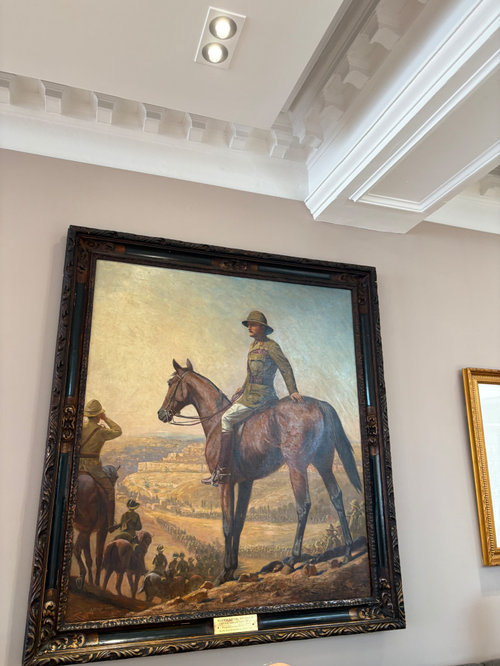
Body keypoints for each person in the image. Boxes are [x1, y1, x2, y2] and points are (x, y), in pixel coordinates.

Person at [202, 310, 302, 486]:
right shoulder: (253, 346)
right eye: (248, 324)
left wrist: (292, 390)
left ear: (262, 328)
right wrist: (243, 387)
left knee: (226, 419)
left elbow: (285, 367)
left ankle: (222, 470)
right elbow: (251, 373)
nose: (249, 327)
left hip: (263, 396)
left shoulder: (272, 347)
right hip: (249, 394)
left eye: (253, 324)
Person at [79, 399, 122, 529]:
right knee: (110, 491)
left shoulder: (80, 427)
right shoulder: (101, 431)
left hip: (77, 466)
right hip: (93, 468)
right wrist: (106, 419)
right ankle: (110, 524)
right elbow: (118, 431)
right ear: (99, 415)